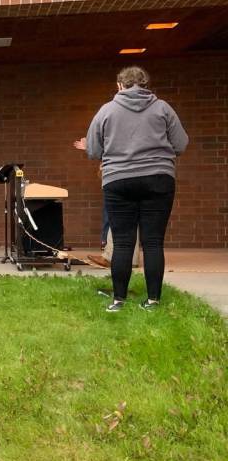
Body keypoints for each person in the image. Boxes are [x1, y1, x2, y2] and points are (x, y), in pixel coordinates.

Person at [77, 66, 188, 312]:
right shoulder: (163, 108)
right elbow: (181, 144)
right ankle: (153, 301)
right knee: (153, 242)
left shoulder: (106, 111)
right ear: (145, 84)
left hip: (119, 181)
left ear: (119, 85)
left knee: (123, 242)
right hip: (159, 179)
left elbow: (93, 151)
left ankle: (118, 300)